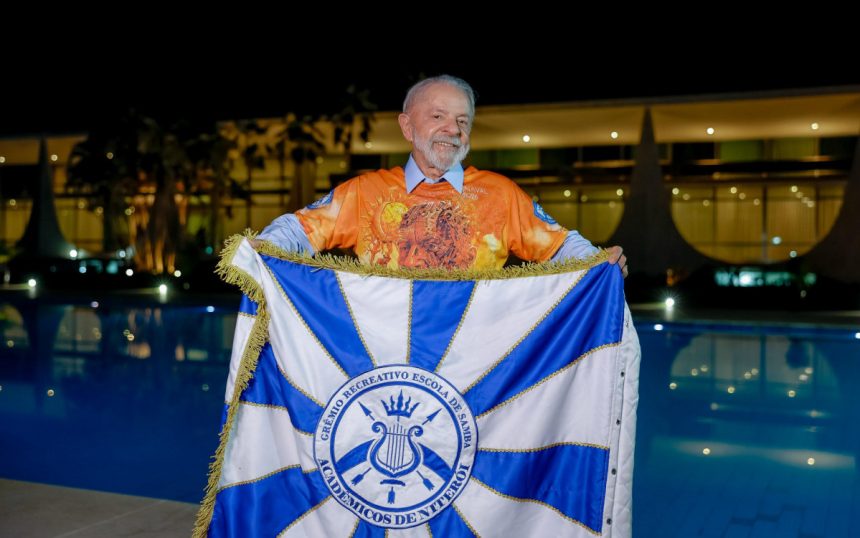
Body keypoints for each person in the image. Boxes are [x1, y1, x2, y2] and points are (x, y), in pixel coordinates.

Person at [255, 74, 627, 275]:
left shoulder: (500, 194)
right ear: (406, 126)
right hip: (384, 361)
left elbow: (560, 245)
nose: (453, 129)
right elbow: (298, 230)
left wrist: (600, 262)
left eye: (462, 120)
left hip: (472, 364)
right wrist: (262, 249)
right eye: (438, 117)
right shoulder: (365, 192)